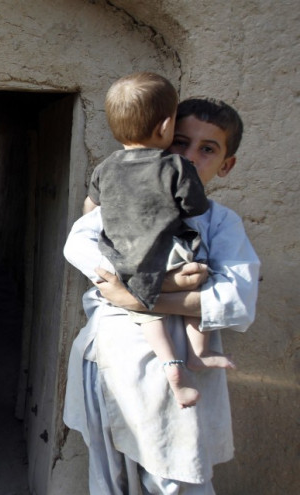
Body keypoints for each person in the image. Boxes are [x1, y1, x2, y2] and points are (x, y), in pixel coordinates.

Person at [63, 97, 260, 493]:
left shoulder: (220, 223)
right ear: (161, 142)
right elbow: (80, 249)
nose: (189, 157)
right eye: (181, 143)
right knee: (109, 479)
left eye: (207, 149)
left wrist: (133, 297)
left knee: (175, 480)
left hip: (176, 381)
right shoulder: (117, 209)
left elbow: (236, 301)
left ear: (226, 165)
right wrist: (171, 285)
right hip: (109, 362)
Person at [83, 72, 233, 409]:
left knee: (149, 318)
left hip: (123, 260)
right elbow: (195, 207)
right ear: (166, 127)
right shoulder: (176, 166)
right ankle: (201, 351)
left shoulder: (104, 168)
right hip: (166, 253)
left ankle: (172, 367)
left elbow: (90, 209)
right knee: (197, 281)